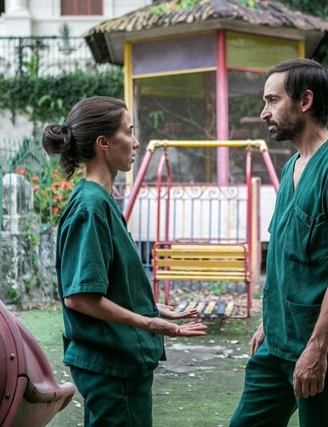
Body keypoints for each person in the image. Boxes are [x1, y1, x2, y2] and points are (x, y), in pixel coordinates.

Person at [42, 96, 207, 427]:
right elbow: (81, 297)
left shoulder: (100, 200)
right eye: (129, 132)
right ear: (104, 143)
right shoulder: (90, 206)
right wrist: (149, 323)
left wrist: (155, 308)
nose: (135, 141)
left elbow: (110, 282)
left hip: (120, 361)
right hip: (109, 365)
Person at [229, 59, 328, 427]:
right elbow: (284, 256)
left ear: (305, 101)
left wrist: (318, 349)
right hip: (277, 341)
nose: (264, 112)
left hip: (319, 348)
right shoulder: (293, 166)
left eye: (273, 100)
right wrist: (268, 322)